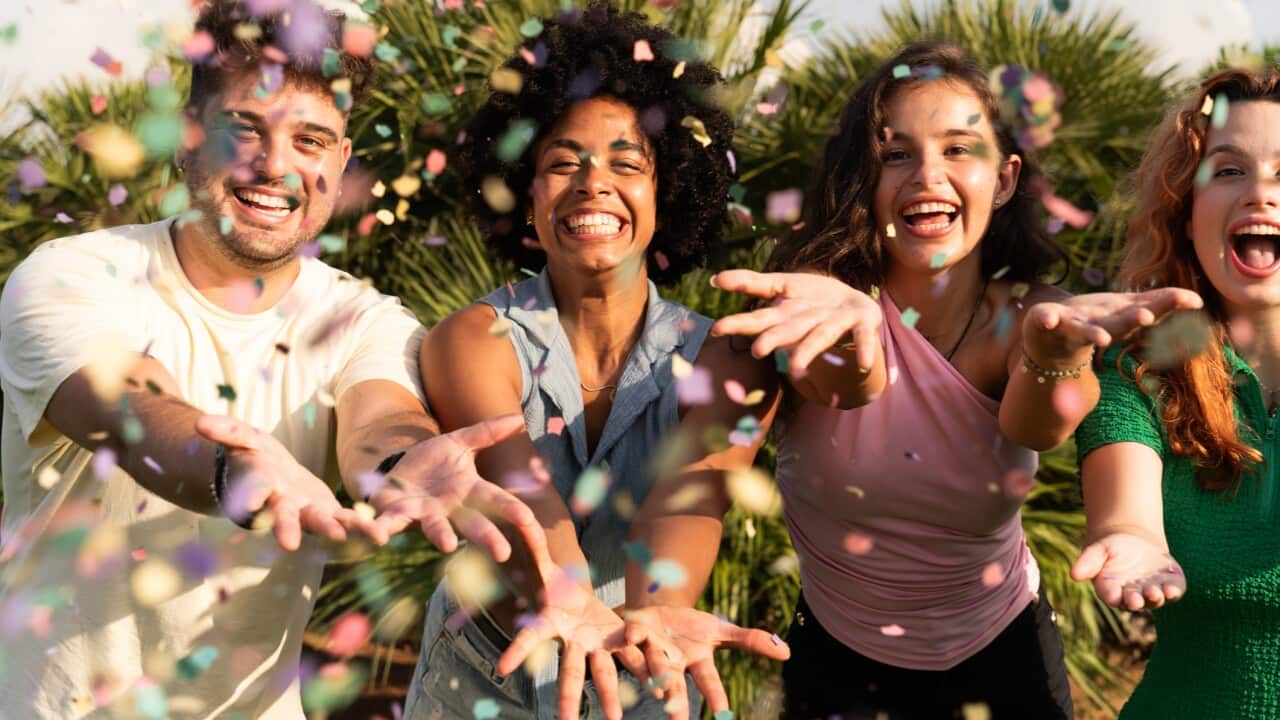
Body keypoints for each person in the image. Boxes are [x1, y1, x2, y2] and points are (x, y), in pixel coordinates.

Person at [0, 1, 549, 718]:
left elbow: (381, 417)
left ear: (341, 163)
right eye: (245, 129)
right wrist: (238, 465)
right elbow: (135, 408)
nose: (276, 165)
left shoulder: (362, 318)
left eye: (312, 140)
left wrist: (397, 465)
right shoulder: (69, 276)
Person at [709, 42, 1202, 719]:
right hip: (834, 657)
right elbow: (841, 386)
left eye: (958, 149)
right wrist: (855, 327)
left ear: (1004, 179)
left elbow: (1039, 425)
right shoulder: (809, 312)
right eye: (897, 154)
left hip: (1006, 654)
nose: (927, 176)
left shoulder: (1034, 318)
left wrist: (1055, 350)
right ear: (864, 177)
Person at [401, 4, 789, 720]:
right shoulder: (469, 341)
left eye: (626, 163)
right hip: (481, 676)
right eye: (561, 162)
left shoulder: (732, 358)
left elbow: (689, 501)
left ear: (664, 194)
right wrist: (570, 597)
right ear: (524, 198)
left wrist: (653, 619)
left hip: (642, 669)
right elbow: (528, 502)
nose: (592, 182)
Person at [1071, 67, 1280, 719]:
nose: (1261, 195)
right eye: (1228, 171)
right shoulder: (1138, 368)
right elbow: (1126, 510)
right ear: (1186, 217)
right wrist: (1131, 538)